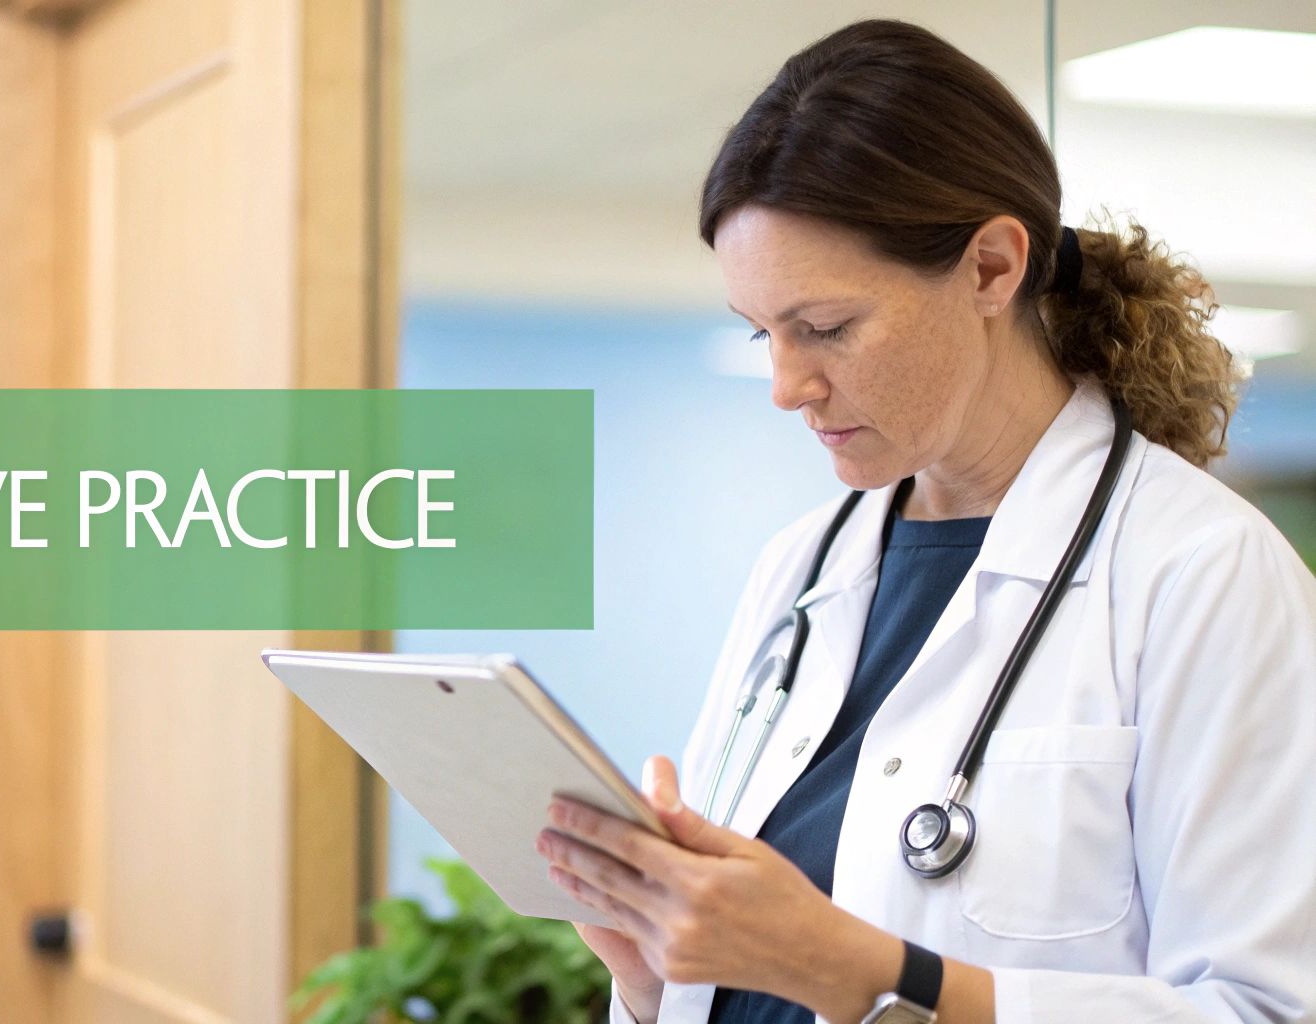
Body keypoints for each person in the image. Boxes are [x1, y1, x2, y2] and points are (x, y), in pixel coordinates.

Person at [532, 18, 1316, 1024]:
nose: (784, 386)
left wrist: (857, 971)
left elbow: (1265, 1008)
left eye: (823, 328)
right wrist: (653, 976)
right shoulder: (801, 569)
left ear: (991, 267)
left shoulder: (1198, 571)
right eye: (761, 333)